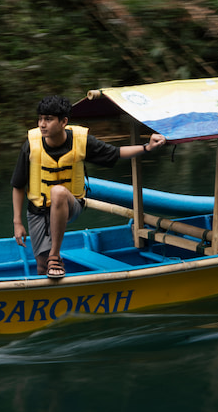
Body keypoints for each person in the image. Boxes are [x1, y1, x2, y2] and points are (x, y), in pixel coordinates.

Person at [11, 95, 167, 279]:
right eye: (40, 119)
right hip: (38, 210)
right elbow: (18, 185)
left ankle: (55, 255)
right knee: (41, 267)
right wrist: (17, 222)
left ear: (63, 122)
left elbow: (115, 153)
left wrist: (147, 147)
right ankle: (50, 281)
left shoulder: (81, 141)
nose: (42, 125)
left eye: (48, 119)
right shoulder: (31, 146)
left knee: (58, 192)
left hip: (70, 204)